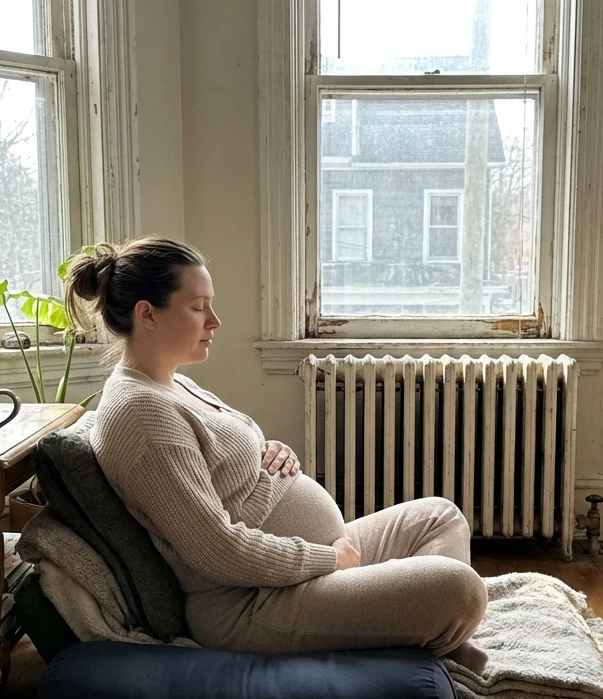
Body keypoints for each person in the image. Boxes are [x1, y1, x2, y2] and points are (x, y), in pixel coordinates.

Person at [65, 237, 490, 673]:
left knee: (440, 516)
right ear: (147, 313)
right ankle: (421, 638)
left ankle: (406, 631)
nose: (215, 321)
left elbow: (227, 461)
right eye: (198, 307)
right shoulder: (140, 413)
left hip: (308, 562)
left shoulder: (172, 383)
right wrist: (331, 559)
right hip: (252, 602)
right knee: (459, 589)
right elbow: (218, 551)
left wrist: (272, 451)